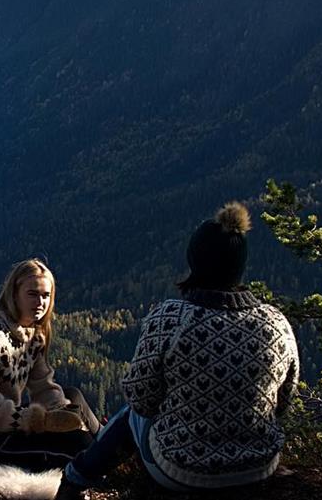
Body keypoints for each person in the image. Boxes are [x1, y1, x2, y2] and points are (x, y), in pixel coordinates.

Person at [54, 202, 300, 500]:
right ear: (240, 265)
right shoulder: (276, 322)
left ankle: (74, 479)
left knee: (130, 415)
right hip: (259, 466)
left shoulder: (171, 318)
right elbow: (283, 402)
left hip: (181, 469)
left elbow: (141, 399)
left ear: (194, 261)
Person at [0, 258, 102, 471]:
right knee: (79, 445)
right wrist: (32, 420)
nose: (40, 302)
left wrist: (63, 412)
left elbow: (43, 386)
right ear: (14, 294)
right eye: (32, 294)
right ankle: (105, 457)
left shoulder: (33, 335)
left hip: (7, 424)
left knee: (72, 396)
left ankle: (106, 441)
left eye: (45, 295)